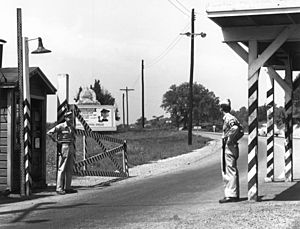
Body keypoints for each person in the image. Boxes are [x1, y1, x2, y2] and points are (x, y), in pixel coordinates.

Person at [47, 110, 77, 195]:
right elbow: (49, 133)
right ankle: (59, 188)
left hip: (70, 145)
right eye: (68, 117)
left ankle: (68, 187)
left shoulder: (71, 127)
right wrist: (56, 141)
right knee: (62, 167)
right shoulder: (61, 126)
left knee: (69, 168)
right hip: (64, 146)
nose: (70, 118)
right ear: (65, 118)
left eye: (71, 117)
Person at [219, 99, 241, 203]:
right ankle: (231, 193)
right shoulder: (232, 118)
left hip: (229, 146)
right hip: (232, 145)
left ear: (221, 108)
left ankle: (232, 195)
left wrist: (229, 138)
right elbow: (241, 130)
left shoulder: (228, 118)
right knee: (229, 169)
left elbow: (235, 128)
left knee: (230, 170)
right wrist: (234, 138)